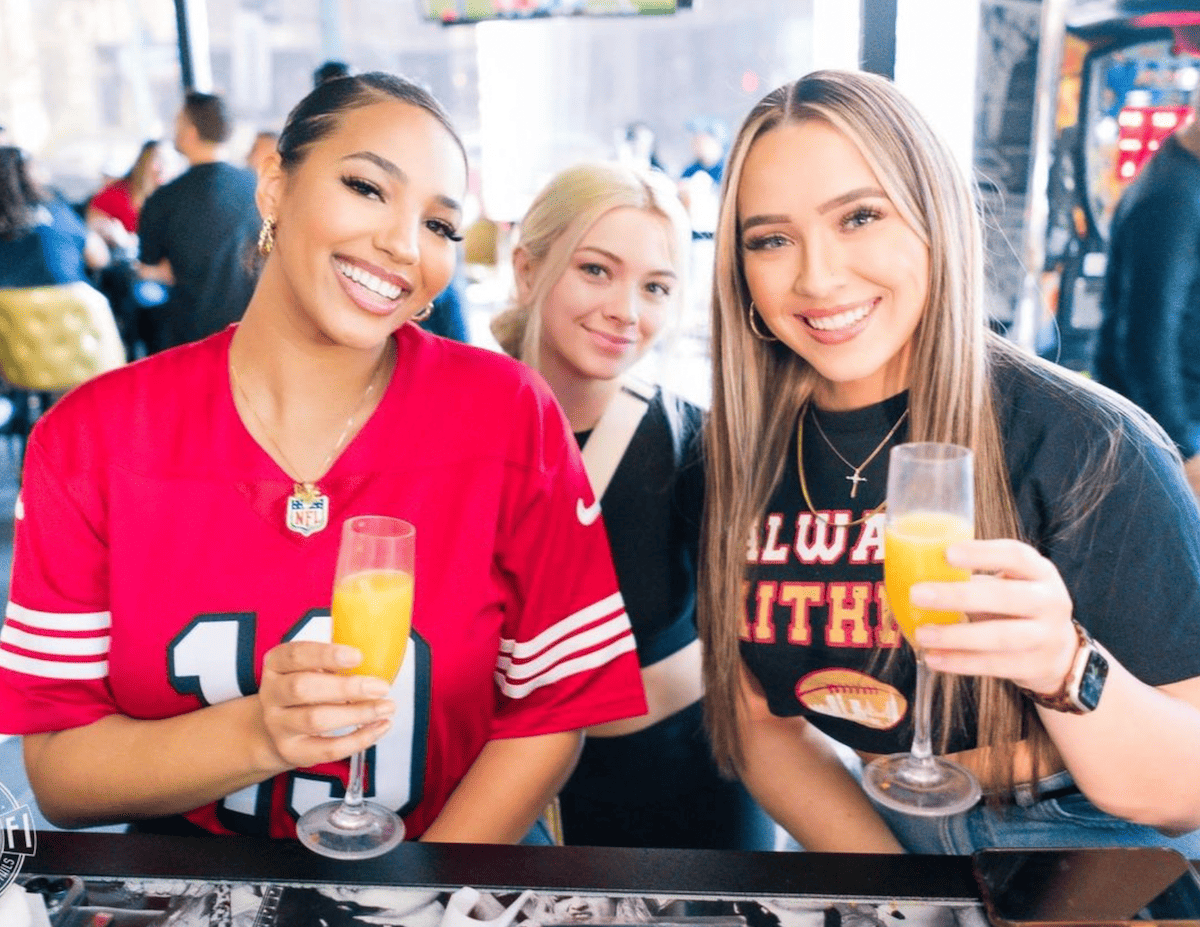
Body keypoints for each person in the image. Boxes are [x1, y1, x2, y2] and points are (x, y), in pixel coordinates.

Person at [0, 72, 647, 843]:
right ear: (274, 188)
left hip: (451, 878)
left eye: (441, 225)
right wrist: (257, 735)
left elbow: (552, 710)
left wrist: (419, 896)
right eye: (368, 187)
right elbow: (59, 774)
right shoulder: (92, 438)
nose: (405, 245)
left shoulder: (509, 415)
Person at [698, 69, 1200, 855]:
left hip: (1083, 834)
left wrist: (1066, 666)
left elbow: (1186, 790)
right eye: (770, 238)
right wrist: (900, 897)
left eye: (859, 216)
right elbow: (763, 728)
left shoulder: (1087, 443)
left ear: (935, 218)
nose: (817, 276)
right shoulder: (735, 453)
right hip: (863, 820)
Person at [491, 162, 772, 850]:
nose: (626, 309)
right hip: (486, 786)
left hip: (681, 793)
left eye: (655, 287)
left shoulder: (696, 444)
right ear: (527, 270)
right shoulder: (455, 425)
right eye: (595, 270)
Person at [1093, 85, 1200, 504]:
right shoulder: (1171, 198)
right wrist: (1184, 450)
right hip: (1171, 430)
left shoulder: (1184, 174)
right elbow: (1146, 338)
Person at [136, 90, 260, 353]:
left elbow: (152, 267)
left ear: (190, 132)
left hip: (191, 338)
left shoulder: (164, 199)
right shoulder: (259, 188)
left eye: (177, 123)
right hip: (255, 331)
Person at [0, 145, 110, 287]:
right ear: (32, 173)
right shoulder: (55, 208)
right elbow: (98, 257)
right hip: (65, 300)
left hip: (7, 303)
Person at [86, 140, 165, 249]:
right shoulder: (115, 193)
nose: (163, 167)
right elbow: (91, 227)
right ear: (142, 162)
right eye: (158, 160)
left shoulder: (167, 199)